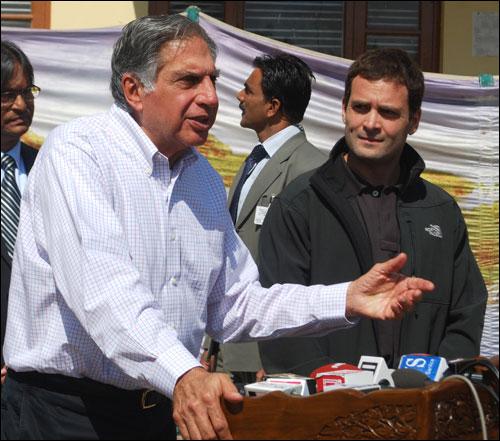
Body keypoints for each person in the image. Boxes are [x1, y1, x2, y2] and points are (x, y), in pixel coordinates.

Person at [1, 17, 434, 441]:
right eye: (189, 81)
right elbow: (105, 294)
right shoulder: (79, 153)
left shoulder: (202, 178)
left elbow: (236, 304)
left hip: (158, 412)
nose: (211, 96)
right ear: (134, 89)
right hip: (65, 415)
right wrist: (185, 372)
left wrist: (345, 298)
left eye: (213, 79)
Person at [258, 48, 487, 377]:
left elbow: (465, 316)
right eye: (361, 108)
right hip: (325, 414)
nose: (370, 124)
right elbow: (277, 317)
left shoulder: (440, 211)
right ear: (344, 110)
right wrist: (340, 392)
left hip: (422, 412)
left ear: (414, 120)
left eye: (389, 112)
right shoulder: (299, 205)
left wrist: (431, 384)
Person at [208, 53, 328, 389]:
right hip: (231, 344)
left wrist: (280, 353)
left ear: (273, 106)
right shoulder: (255, 160)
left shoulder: (310, 169)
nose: (239, 97)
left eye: (248, 90)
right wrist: (211, 343)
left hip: (268, 355)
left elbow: (305, 272)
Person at [1, 40, 40, 385]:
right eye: (7, 94)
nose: (20, 104)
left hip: (34, 368)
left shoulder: (49, 168)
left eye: (27, 92)